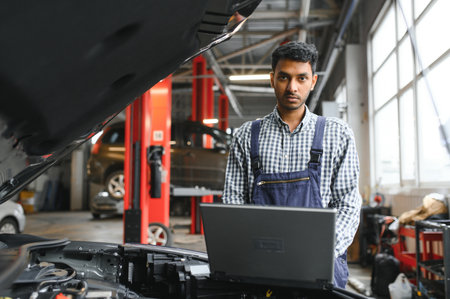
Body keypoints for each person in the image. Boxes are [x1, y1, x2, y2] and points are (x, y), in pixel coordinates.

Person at [222, 41, 362, 288]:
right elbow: (233, 204)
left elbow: (348, 203)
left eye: (301, 78)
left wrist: (320, 252)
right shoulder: (246, 136)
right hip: (260, 265)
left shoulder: (337, 134)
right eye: (284, 77)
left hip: (321, 265)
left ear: (313, 81)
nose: (292, 87)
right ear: (272, 78)